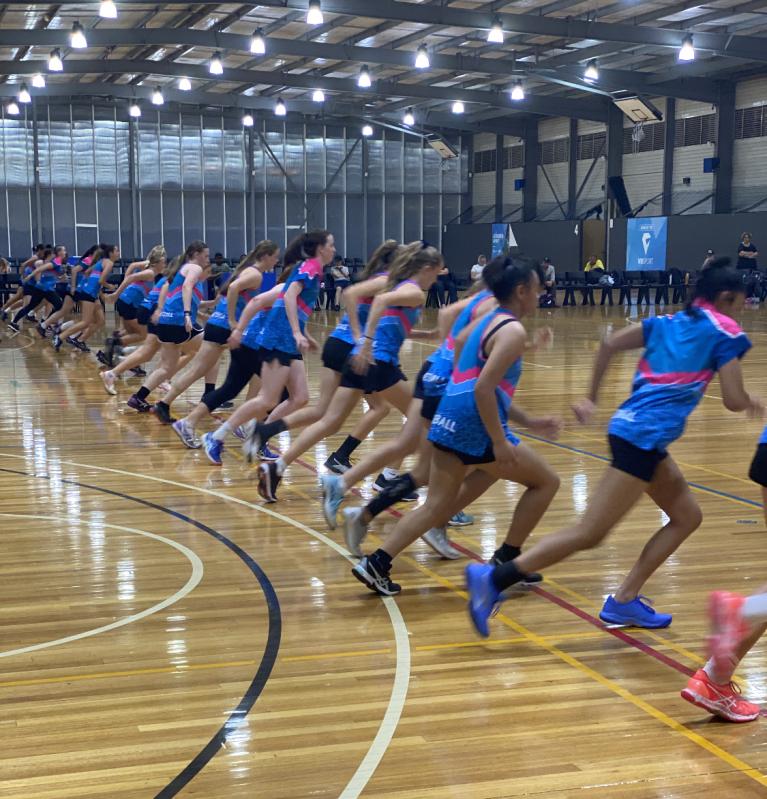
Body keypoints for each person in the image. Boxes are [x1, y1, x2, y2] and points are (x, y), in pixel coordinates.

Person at [466, 258, 763, 637]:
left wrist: (591, 397)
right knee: (590, 532)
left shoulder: (666, 321)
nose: (741, 311)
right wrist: (751, 401)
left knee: (687, 516)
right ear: (725, 298)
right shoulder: (725, 331)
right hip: (642, 439)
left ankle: (624, 599)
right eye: (740, 303)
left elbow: (609, 344)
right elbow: (733, 400)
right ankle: (493, 579)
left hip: (634, 431)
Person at [350, 255, 561, 596]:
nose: (541, 295)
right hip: (473, 427)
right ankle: (507, 562)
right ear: (521, 291)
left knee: (438, 504)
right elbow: (484, 389)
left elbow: (462, 346)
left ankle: (376, 563)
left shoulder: (486, 320)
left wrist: (529, 420)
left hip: (448, 414)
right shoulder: (511, 329)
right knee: (546, 482)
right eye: (537, 290)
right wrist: (499, 440)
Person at [252, 241, 443, 501]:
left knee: (329, 417)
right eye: (436, 271)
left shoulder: (395, 284)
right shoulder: (396, 285)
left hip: (353, 353)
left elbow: (391, 323)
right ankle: (387, 476)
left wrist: (425, 335)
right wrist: (361, 338)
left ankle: (278, 459)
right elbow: (355, 296)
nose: (437, 278)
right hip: (363, 354)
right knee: (412, 416)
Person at [198, 229, 335, 464]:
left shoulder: (311, 269)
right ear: (320, 248)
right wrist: (295, 332)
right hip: (277, 338)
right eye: (331, 245)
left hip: (287, 339)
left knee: (300, 397)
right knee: (268, 400)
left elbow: (293, 305)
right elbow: (288, 297)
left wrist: (303, 333)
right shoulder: (310, 268)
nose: (334, 249)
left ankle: (260, 434)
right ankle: (216, 436)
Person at [153, 241, 280, 425]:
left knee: (197, 371)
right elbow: (234, 288)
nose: (276, 261)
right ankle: (249, 417)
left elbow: (232, 292)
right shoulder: (255, 275)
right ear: (266, 256)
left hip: (216, 324)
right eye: (275, 257)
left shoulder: (248, 271)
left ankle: (164, 404)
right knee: (256, 369)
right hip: (225, 328)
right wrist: (232, 320)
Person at [126, 241, 211, 412]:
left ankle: (138, 397)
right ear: (196, 254)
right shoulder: (195, 268)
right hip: (179, 322)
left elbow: (176, 292)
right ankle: (210, 395)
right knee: (212, 351)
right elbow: (186, 287)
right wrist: (187, 314)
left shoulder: (181, 270)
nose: (207, 260)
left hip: (165, 323)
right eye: (206, 255)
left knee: (166, 367)